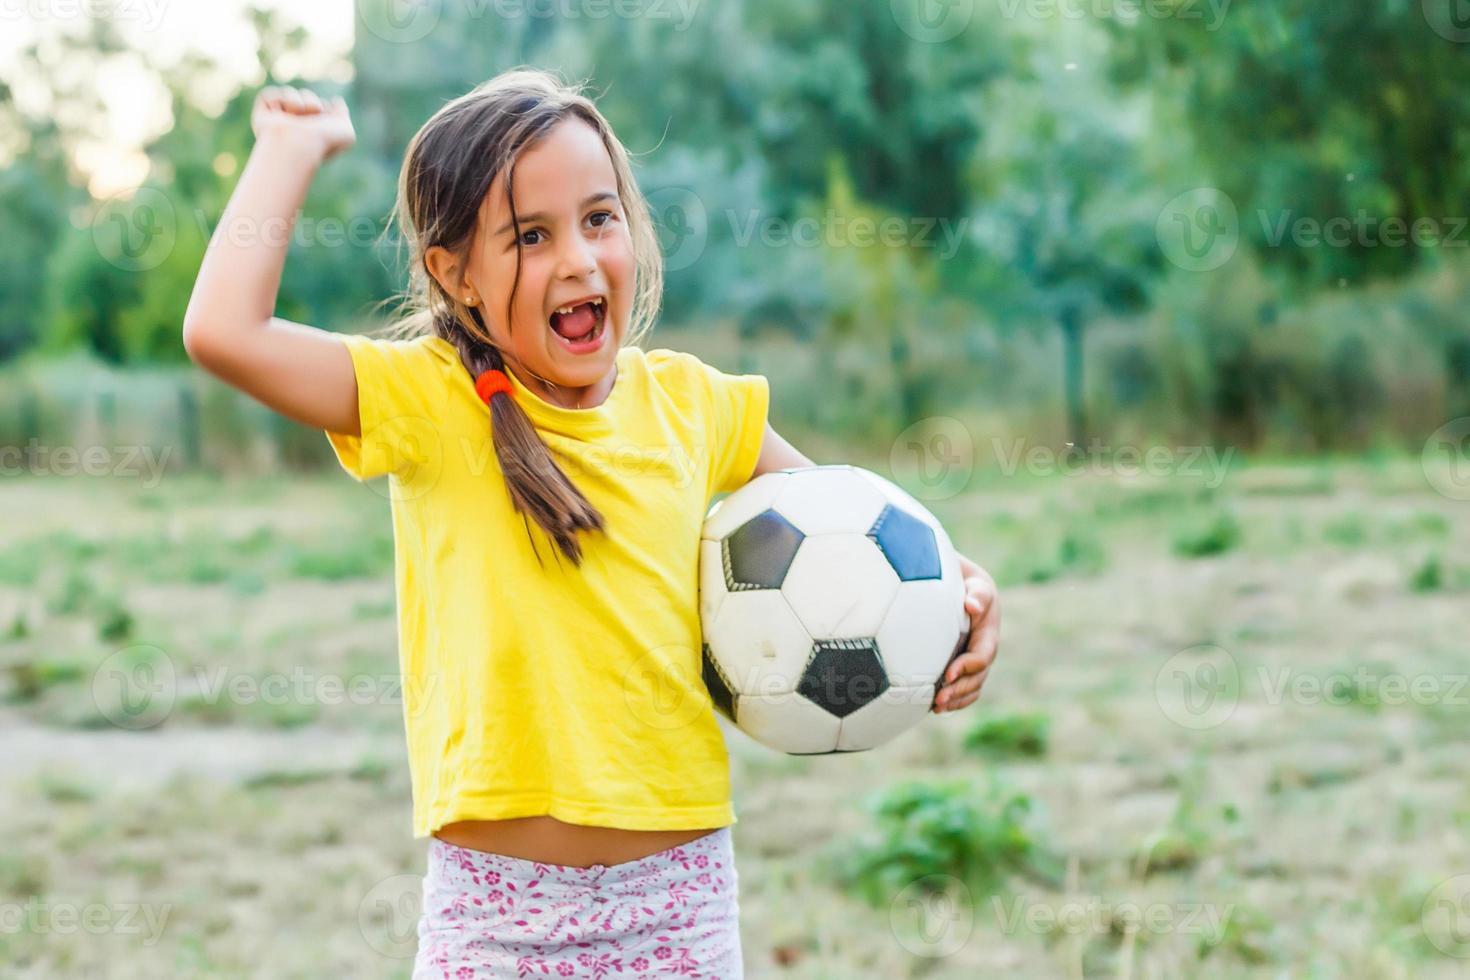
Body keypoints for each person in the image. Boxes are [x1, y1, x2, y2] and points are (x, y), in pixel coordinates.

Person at [182, 66, 1001, 978]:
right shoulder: (428, 401)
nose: (577, 256)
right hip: (495, 916)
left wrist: (964, 586)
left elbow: (856, 529)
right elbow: (225, 332)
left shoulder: (693, 403)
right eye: (531, 234)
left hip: (678, 904)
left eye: (599, 217)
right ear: (455, 276)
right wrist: (288, 153)